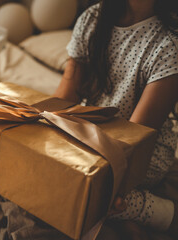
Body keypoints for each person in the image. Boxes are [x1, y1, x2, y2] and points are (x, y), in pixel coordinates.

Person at [54, 0, 178, 238]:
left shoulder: (169, 42)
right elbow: (63, 99)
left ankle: (145, 208)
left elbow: (134, 137)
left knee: (71, 191)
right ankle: (124, 218)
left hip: (142, 150)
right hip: (91, 133)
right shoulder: (93, 18)